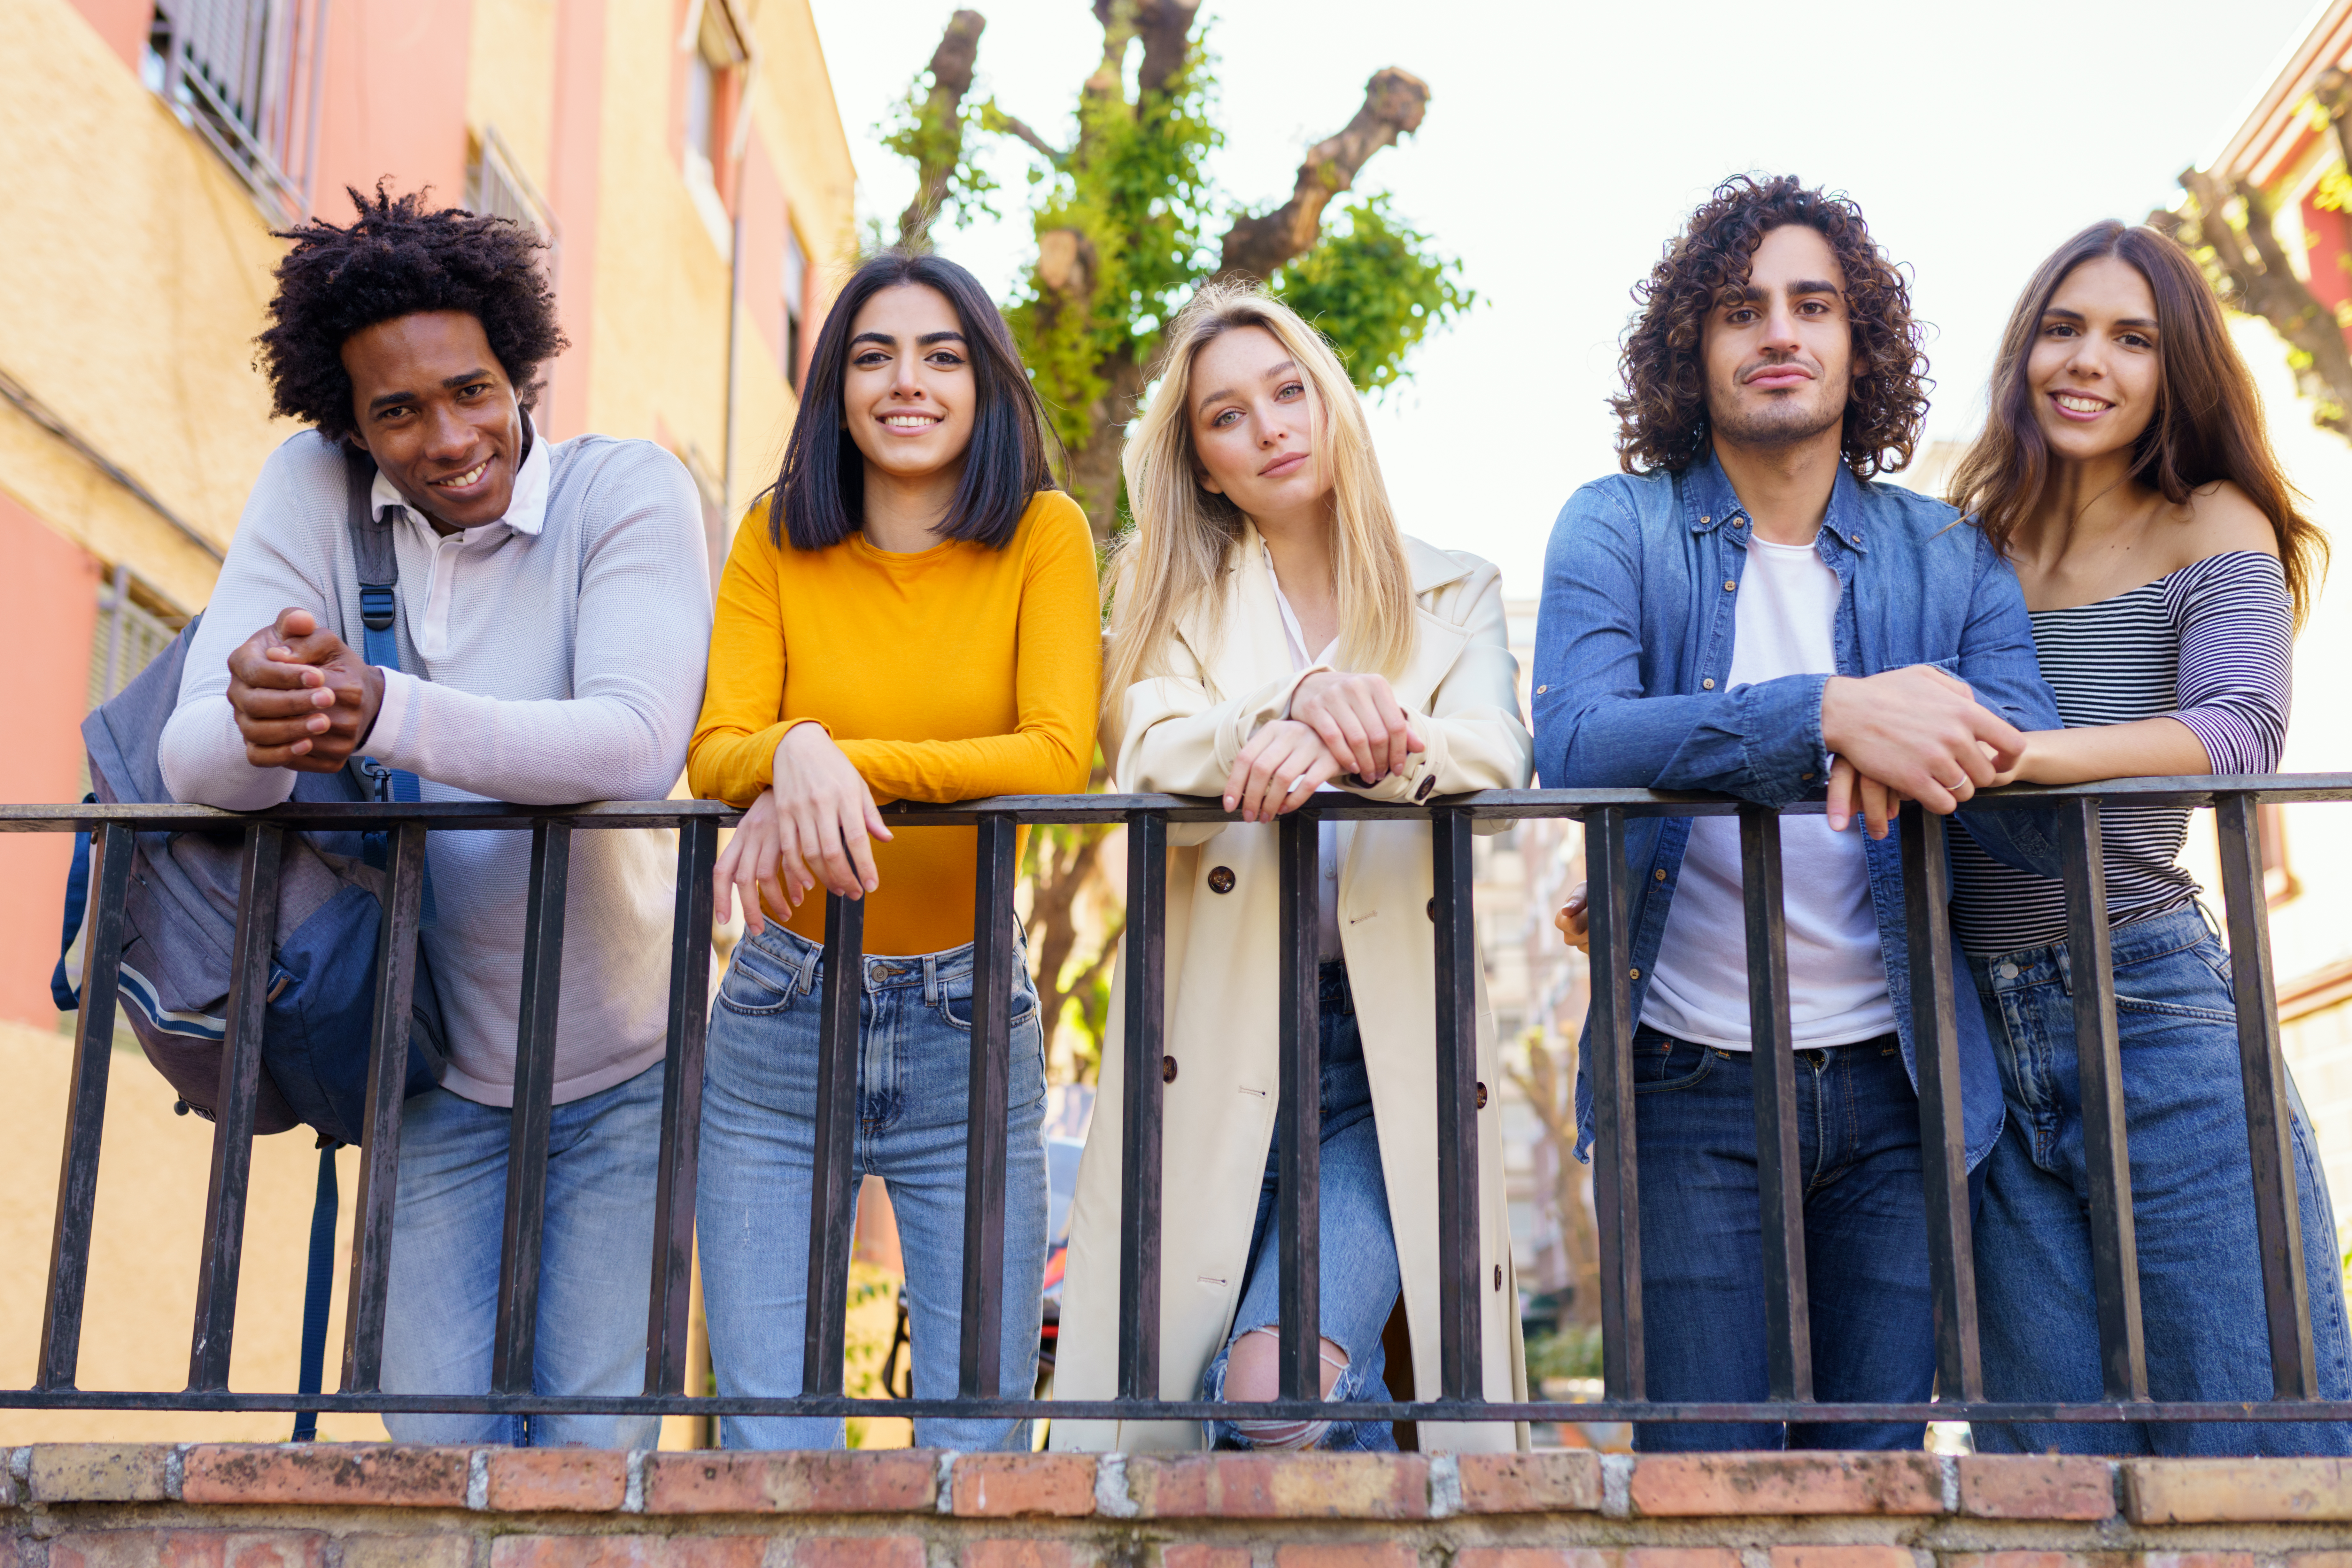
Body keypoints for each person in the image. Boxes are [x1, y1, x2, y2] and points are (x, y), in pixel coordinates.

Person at [158, 186, 712, 1448]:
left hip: (631, 1072)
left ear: (519, 371)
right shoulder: (313, 494)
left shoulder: (625, 495)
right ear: (348, 423)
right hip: (429, 1080)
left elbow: (632, 745)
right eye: (394, 412)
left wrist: (382, 712)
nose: (447, 436)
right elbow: (197, 761)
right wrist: (262, 722)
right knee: (431, 1463)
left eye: (470, 390)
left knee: (591, 1474)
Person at [1536, 174, 2065, 1452]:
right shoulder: (1619, 527)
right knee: (1700, 1480)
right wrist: (1824, 714)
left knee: (1870, 1483)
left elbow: (2035, 808)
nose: (1778, 331)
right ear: (1692, 350)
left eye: (1811, 305)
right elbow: (1573, 738)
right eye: (1740, 308)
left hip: (1899, 1085)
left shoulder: (1947, 552)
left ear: (1855, 340)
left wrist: (1928, 726)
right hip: (1682, 1078)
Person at [1049, 282, 1534, 1456]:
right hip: (1210, 1055)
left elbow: (1496, 762)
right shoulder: (1170, 608)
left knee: (1271, 1394)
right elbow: (1153, 749)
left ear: (1332, 405)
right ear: (1204, 464)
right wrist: (1294, 699)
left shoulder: (1452, 587)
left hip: (1385, 1064)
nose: (1268, 425)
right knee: (1175, 1430)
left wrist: (1333, 741)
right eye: (1227, 416)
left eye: (1288, 390)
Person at [1943, 221, 2352, 1454]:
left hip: (2150, 1001)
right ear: (2026, 348)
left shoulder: (2211, 519)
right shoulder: (1967, 535)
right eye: (2065, 328)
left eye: (2133, 339)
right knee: (2053, 1471)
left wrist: (2023, 757)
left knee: (2253, 1439)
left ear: (2177, 370)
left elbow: (2240, 731)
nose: (2089, 362)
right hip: (1969, 1023)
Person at [687, 249, 1098, 1451]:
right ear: (836, 387)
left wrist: (831, 760)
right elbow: (717, 750)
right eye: (873, 356)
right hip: (779, 1011)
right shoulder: (775, 536)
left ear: (984, 383)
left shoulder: (1046, 535)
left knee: (976, 1444)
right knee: (770, 1446)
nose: (905, 382)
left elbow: (1055, 754)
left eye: (940, 355)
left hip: (968, 1020)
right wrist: (784, 748)